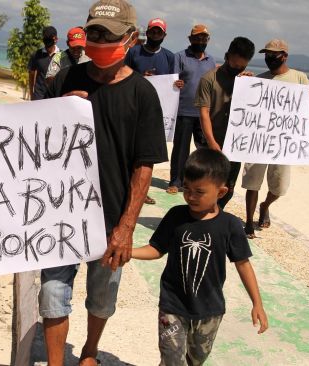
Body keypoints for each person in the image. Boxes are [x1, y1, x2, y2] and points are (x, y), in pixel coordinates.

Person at [41, 1, 168, 365]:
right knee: (51, 293)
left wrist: (127, 226)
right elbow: (32, 142)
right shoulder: (66, 79)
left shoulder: (143, 94)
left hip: (111, 219)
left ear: (131, 38)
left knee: (102, 297)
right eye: (93, 33)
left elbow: (144, 166)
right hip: (59, 213)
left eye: (107, 36)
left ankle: (90, 350)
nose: (97, 41)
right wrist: (59, 111)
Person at [132, 148, 268, 365]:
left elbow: (243, 264)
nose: (190, 196)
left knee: (195, 361)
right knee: (172, 360)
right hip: (173, 306)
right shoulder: (176, 216)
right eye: (187, 188)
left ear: (221, 192)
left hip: (210, 311)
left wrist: (257, 303)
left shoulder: (230, 225)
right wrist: (129, 252)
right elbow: (156, 249)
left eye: (199, 191)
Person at [241, 39, 309, 238]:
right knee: (252, 182)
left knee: (279, 186)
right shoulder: (260, 79)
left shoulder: (299, 78)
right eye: (266, 55)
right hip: (259, 140)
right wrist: (243, 83)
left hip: (283, 142)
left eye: (273, 55)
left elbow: (304, 113)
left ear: (284, 56)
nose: (269, 58)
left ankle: (265, 205)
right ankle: (249, 222)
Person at [194, 36, 256, 209]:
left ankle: (215, 215)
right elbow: (204, 113)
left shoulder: (248, 81)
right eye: (234, 65)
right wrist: (212, 142)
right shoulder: (209, 79)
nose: (236, 69)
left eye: (241, 67)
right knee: (206, 185)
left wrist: (250, 85)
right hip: (211, 141)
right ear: (227, 56)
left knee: (227, 188)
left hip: (235, 144)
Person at [124, 17, 175, 205]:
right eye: (152, 31)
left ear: (164, 35)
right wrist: (140, 77)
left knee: (147, 155)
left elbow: (172, 83)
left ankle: (141, 192)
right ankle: (127, 189)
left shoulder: (169, 57)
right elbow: (123, 75)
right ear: (148, 32)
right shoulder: (133, 51)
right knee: (130, 151)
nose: (155, 34)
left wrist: (178, 84)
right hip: (132, 110)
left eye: (158, 32)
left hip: (155, 114)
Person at [166, 24, 216, 194]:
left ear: (208, 40)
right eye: (197, 38)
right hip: (183, 110)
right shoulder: (179, 57)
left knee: (203, 151)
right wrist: (176, 82)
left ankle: (198, 182)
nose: (200, 41)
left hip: (204, 113)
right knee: (180, 149)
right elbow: (171, 80)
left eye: (204, 38)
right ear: (190, 39)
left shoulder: (211, 61)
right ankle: (175, 182)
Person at [28, 26, 60, 100]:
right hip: (38, 96)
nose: (46, 41)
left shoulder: (61, 56)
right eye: (45, 38)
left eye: (49, 38)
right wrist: (31, 94)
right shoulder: (36, 55)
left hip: (54, 98)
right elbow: (31, 75)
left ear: (56, 39)